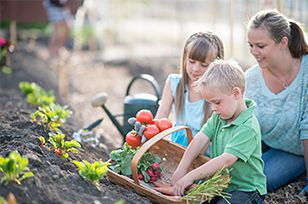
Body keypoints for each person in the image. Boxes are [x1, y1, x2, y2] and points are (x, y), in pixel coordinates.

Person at [171, 60, 267, 203]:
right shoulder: (219, 116)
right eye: (210, 103)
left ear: (236, 93)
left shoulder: (248, 127)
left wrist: (190, 176)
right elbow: (200, 139)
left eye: (216, 102)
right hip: (220, 186)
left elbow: (226, 160)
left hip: (246, 189)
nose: (213, 108)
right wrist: (182, 168)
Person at [245, 9, 308, 194]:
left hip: (297, 150)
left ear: (283, 42)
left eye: (261, 46)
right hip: (269, 141)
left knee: (258, 181)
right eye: (250, 45)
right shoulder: (250, 79)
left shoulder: (305, 73)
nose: (253, 52)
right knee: (237, 178)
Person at [155, 31, 224, 148]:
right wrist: (147, 128)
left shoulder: (218, 92)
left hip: (204, 157)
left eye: (204, 65)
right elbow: (160, 119)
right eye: (191, 62)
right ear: (184, 59)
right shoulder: (174, 83)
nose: (195, 69)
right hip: (176, 152)